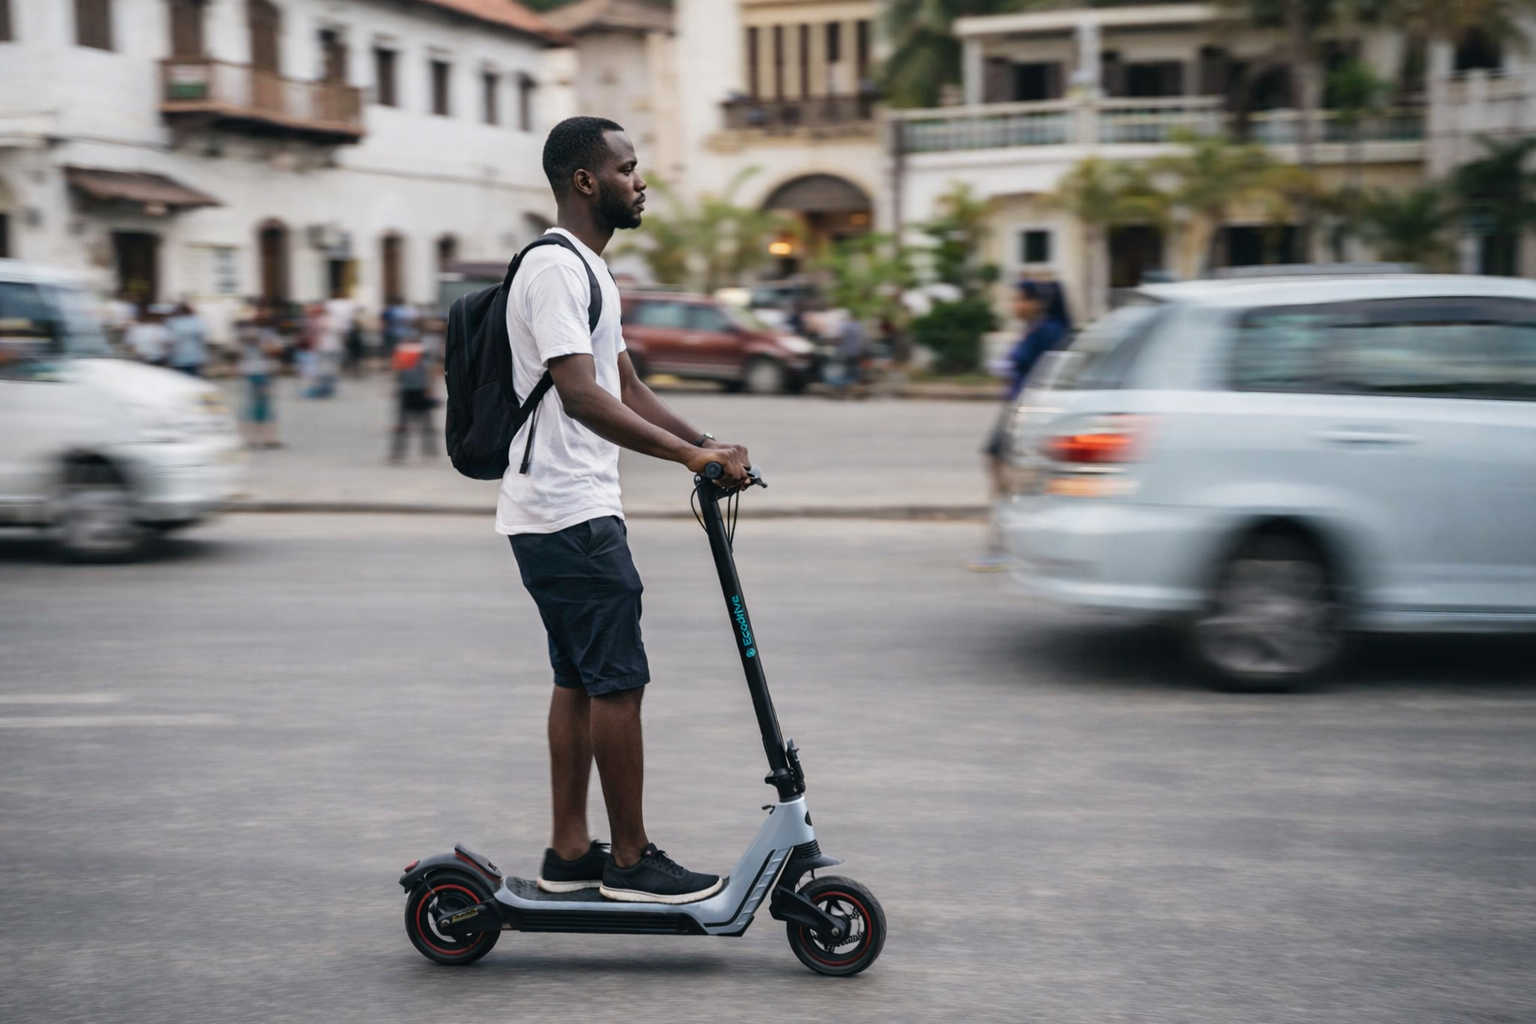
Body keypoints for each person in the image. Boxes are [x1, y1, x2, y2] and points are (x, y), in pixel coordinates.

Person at [502, 116, 752, 904]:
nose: (641, 181)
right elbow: (579, 396)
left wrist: (707, 441)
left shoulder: (591, 272)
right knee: (617, 681)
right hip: (565, 510)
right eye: (628, 167)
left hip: (569, 508)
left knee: (580, 678)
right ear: (587, 182)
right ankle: (632, 862)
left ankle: (573, 853)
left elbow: (627, 389)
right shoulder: (553, 271)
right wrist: (686, 459)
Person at [968, 279, 1070, 572]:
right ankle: (1006, 540)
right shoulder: (1035, 329)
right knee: (999, 467)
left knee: (1010, 472)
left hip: (1026, 412)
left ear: (1039, 302)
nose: (1015, 306)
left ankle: (1007, 543)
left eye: (1021, 300)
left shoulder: (1050, 332)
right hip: (1015, 408)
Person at [388, 328, 435, 462]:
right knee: (426, 424)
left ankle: (398, 453)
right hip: (422, 389)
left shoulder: (402, 351)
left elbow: (397, 371)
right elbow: (429, 371)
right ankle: (429, 453)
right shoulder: (423, 351)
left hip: (406, 390)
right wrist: (431, 388)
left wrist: (395, 387)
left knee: (402, 423)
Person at [237, 310, 282, 449]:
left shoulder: (270, 334)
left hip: (265, 371)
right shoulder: (249, 333)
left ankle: (267, 437)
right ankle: (251, 437)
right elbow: (241, 351)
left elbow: (277, 350)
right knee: (254, 405)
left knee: (264, 405)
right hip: (255, 371)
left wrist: (264, 346)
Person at [166, 301, 207, 377]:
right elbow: (202, 336)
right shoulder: (196, 320)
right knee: (192, 379)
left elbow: (168, 339)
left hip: (177, 356)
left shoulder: (172, 321)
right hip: (193, 355)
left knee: (178, 380)